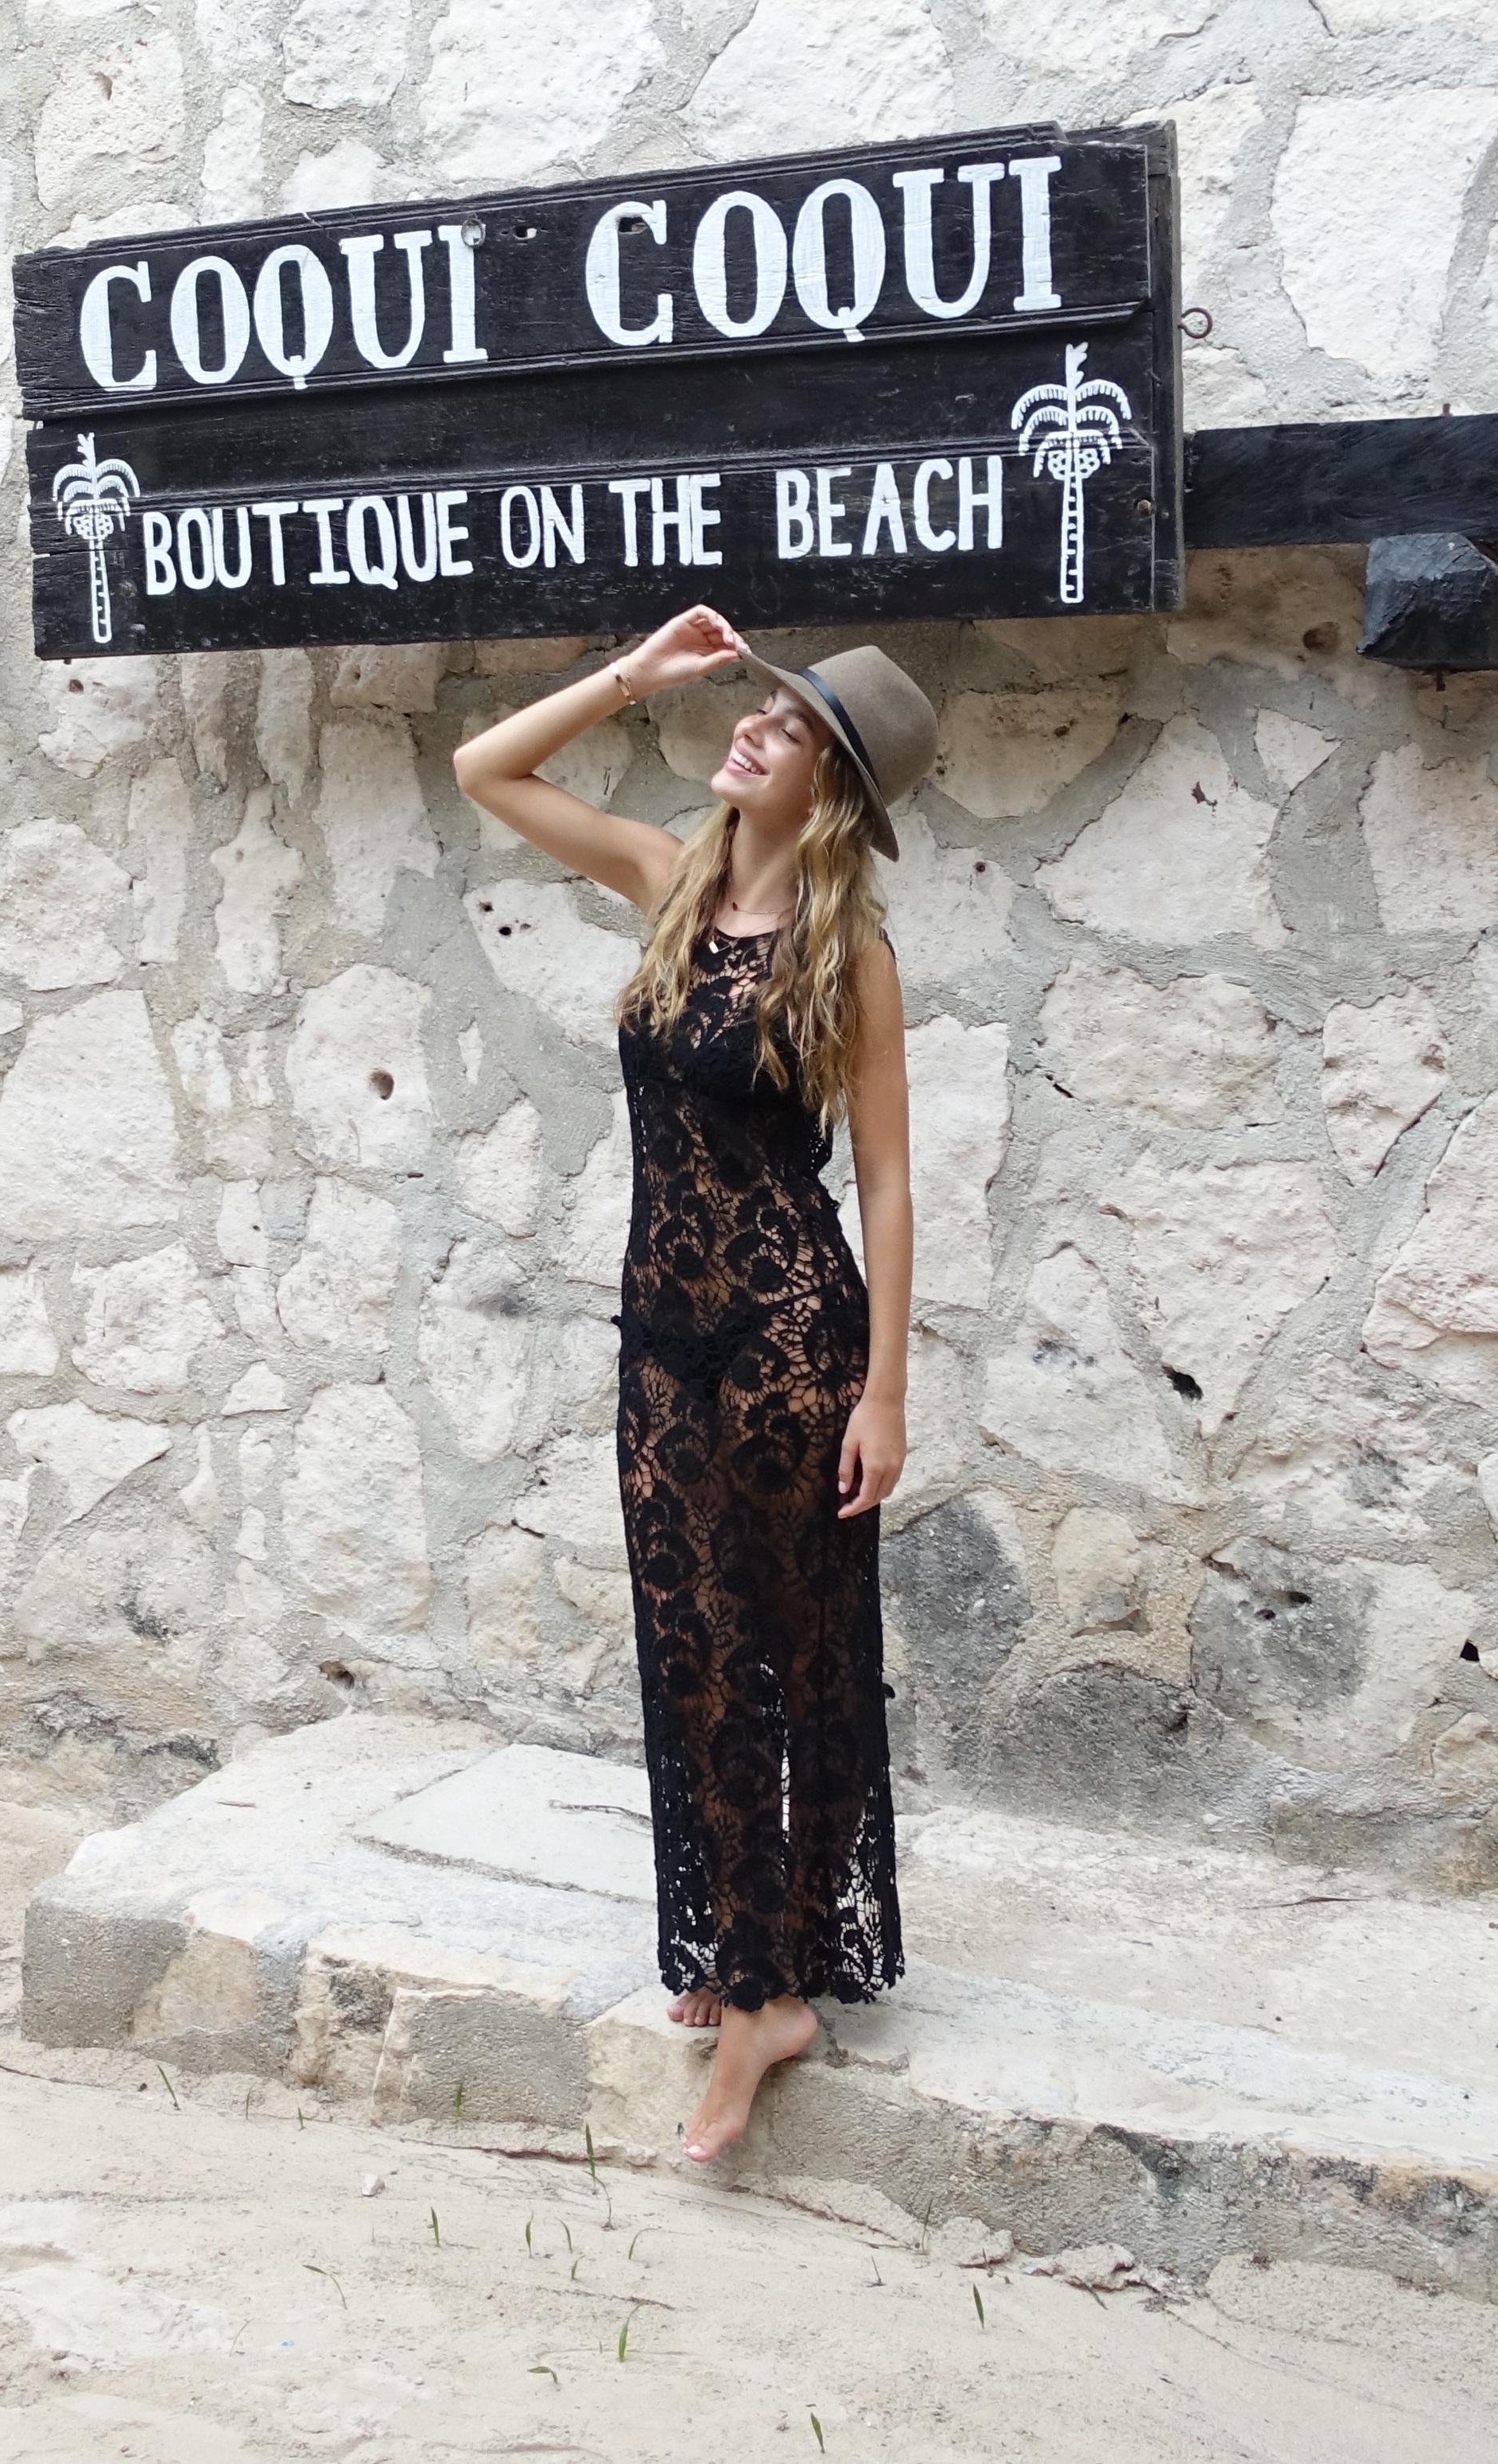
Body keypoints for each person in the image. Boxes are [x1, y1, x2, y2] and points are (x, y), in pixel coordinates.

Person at [454, 605, 936, 2163]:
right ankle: (745, 1945)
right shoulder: (669, 884)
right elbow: (485, 771)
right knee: (695, 1655)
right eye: (761, 709)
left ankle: (765, 1999)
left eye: (789, 729)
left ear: (832, 787)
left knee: (790, 1657)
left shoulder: (849, 954)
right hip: (661, 1339)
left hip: (792, 1340)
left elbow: (886, 1181)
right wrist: (633, 675)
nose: (754, 729)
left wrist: (884, 1393)